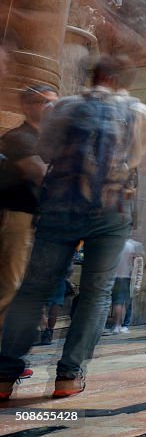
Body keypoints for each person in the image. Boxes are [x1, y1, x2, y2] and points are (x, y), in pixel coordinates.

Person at [0, 56, 146, 400]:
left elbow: (45, 150)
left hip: (60, 204)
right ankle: (68, 377)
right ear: (124, 82)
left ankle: (3, 376)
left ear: (93, 77)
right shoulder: (143, 113)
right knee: (96, 292)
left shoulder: (64, 107)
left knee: (33, 290)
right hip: (111, 210)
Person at [0, 85, 58, 338]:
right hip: (17, 216)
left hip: (38, 221)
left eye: (55, 102)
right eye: (44, 101)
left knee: (25, 286)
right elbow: (41, 175)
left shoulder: (49, 141)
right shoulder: (18, 137)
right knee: (11, 286)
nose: (51, 107)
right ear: (27, 105)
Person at [108, 236, 144, 335]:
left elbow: (139, 273)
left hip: (130, 281)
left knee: (128, 303)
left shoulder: (139, 259)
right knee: (118, 302)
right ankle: (117, 324)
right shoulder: (122, 253)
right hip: (120, 279)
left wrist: (138, 284)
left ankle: (125, 325)